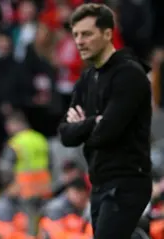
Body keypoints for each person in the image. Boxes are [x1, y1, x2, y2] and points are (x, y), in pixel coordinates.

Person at [58, 3, 152, 239]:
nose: (79, 41)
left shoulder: (129, 73)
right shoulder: (87, 78)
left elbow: (107, 132)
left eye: (87, 34)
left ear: (108, 33)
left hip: (127, 182)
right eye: (76, 34)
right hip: (99, 183)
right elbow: (65, 135)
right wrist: (93, 122)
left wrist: (84, 125)